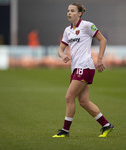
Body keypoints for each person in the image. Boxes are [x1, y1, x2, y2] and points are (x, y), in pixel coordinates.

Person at [52, 3, 114, 138]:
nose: (69, 13)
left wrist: (100, 59)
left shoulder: (87, 25)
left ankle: (65, 131)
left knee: (69, 97)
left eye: (72, 11)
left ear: (79, 13)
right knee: (84, 102)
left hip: (85, 67)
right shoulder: (67, 30)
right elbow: (60, 50)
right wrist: (63, 56)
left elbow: (102, 40)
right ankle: (106, 125)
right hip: (75, 68)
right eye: (68, 10)